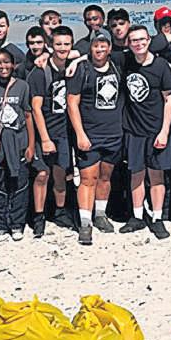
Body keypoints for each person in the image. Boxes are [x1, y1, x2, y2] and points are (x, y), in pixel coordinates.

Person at [67, 26, 125, 245]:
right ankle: (85, 222)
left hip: (114, 133)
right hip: (89, 134)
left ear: (109, 47)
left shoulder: (117, 66)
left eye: (103, 45)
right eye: (95, 45)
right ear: (90, 47)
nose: (99, 49)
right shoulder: (82, 70)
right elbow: (72, 103)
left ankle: (100, 214)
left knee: (105, 177)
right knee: (88, 178)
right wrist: (80, 134)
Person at [119, 24, 171, 238]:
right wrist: (75, 61)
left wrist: (164, 131)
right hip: (134, 130)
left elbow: (169, 99)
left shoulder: (161, 66)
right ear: (129, 43)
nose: (139, 44)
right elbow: (96, 54)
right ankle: (137, 216)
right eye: (134, 40)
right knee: (136, 174)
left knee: (156, 175)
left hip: (156, 129)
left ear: (149, 40)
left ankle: (157, 218)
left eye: (142, 39)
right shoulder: (125, 61)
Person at [0, 47, 36, 240]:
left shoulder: (22, 86)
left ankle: (17, 224)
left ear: (13, 64)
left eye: (6, 62)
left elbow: (28, 116)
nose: (3, 66)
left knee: (20, 184)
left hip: (19, 142)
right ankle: (0, 224)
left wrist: (31, 145)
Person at [29, 25, 77, 233]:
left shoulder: (73, 67)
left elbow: (89, 54)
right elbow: (36, 108)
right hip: (44, 131)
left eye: (66, 44)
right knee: (42, 174)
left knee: (61, 173)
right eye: (58, 44)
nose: (62, 48)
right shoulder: (41, 72)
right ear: (51, 45)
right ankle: (38, 215)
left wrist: (78, 59)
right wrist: (45, 138)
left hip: (64, 131)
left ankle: (59, 211)